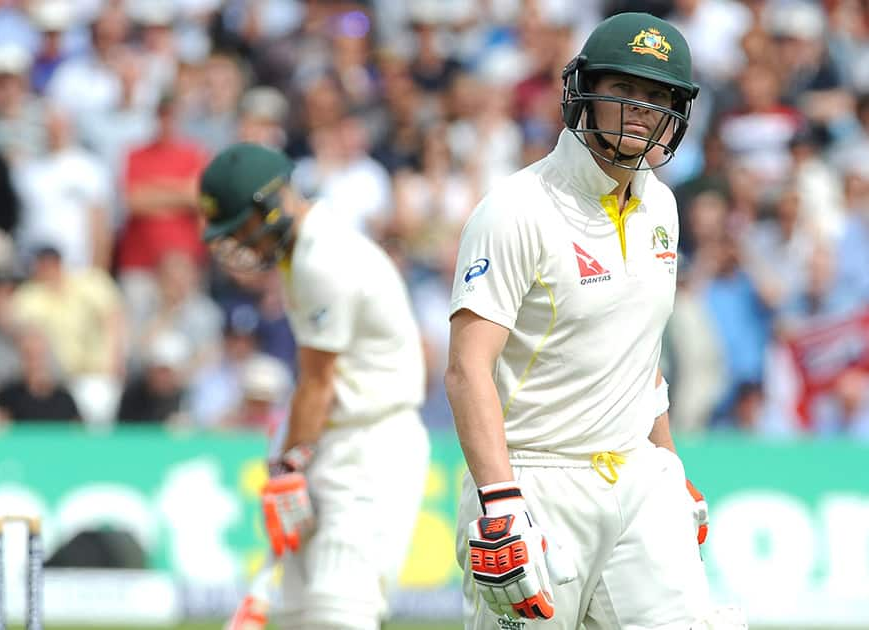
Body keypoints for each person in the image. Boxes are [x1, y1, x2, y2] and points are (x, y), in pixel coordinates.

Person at [445, 13, 746, 630]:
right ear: (584, 90)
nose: (643, 109)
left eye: (660, 96)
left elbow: (640, 352)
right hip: (537, 477)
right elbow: (467, 368)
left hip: (638, 476)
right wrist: (500, 504)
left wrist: (670, 466)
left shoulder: (660, 202)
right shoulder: (516, 210)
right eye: (626, 88)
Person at [198, 143, 429, 630]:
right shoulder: (300, 254)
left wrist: (288, 467)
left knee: (339, 612)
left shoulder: (323, 259)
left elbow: (319, 382)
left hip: (370, 448)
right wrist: (290, 457)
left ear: (269, 205)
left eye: (241, 227)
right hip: (335, 441)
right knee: (301, 616)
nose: (242, 243)